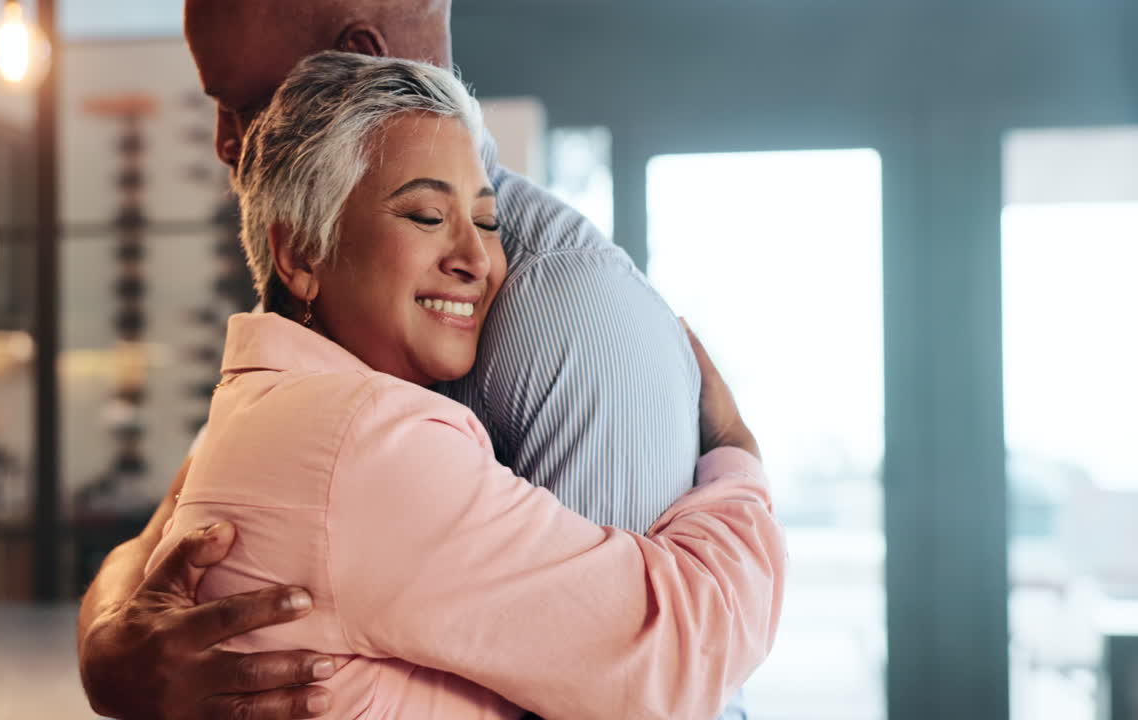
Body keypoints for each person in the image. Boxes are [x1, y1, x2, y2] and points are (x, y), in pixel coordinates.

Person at [78, 2, 770, 719]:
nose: (227, 143)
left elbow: (663, 673)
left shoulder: (570, 317)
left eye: (244, 103)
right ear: (299, 251)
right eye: (426, 217)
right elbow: (676, 656)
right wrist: (738, 463)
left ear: (360, 59)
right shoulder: (335, 389)